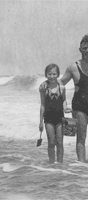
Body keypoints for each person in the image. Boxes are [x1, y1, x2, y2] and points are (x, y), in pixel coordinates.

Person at [40, 34, 88, 162]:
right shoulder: (74, 67)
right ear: (80, 49)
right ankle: (82, 166)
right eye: (85, 48)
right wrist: (46, 83)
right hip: (80, 107)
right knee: (81, 138)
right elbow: (60, 82)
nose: (87, 51)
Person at [39, 64, 71, 164]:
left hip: (60, 119)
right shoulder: (43, 88)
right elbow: (42, 105)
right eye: (49, 74)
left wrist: (65, 107)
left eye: (54, 74)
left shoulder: (62, 88)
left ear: (58, 75)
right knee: (51, 142)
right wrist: (40, 122)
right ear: (45, 75)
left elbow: (64, 100)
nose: (52, 76)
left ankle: (60, 163)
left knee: (60, 143)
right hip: (48, 119)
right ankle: (52, 163)